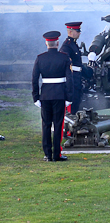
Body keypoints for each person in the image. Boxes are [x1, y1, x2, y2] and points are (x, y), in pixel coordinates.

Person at [32, 31, 73, 161]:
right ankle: (57, 154)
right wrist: (69, 97)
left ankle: (47, 154)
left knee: (46, 125)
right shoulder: (64, 57)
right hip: (60, 95)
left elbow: (34, 79)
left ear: (46, 43)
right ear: (57, 43)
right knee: (58, 124)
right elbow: (69, 79)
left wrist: (35, 97)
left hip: (45, 95)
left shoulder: (40, 58)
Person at [59, 21, 92, 113]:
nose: (79, 33)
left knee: (77, 101)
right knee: (73, 103)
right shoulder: (67, 46)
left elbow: (78, 64)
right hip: (72, 79)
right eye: (77, 31)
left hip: (77, 78)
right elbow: (65, 63)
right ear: (70, 32)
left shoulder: (73, 45)